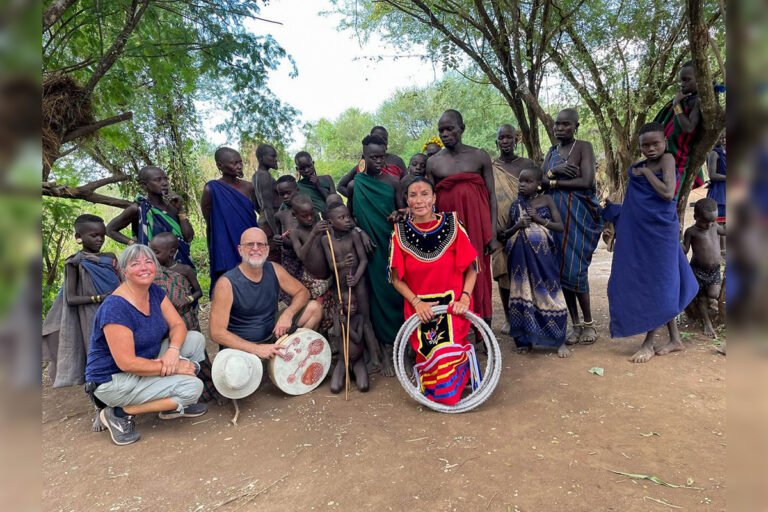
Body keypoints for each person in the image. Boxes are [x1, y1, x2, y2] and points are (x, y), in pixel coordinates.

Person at [85, 244, 207, 446]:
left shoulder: (154, 292)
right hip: (114, 380)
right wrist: (175, 367)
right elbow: (127, 363)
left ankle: (169, 406)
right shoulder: (115, 307)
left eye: (148, 262)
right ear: (124, 271)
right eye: (135, 264)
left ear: (155, 267)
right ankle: (118, 413)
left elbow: (178, 325)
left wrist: (173, 351)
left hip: (145, 362)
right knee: (192, 388)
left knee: (194, 340)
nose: (144, 267)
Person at [603, 122, 698, 363]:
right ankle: (675, 339)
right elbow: (636, 205)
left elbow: (667, 193)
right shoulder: (637, 168)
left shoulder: (666, 159)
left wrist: (646, 173)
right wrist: (613, 213)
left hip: (661, 232)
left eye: (655, 143)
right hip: (642, 233)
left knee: (660, 283)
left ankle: (648, 343)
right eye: (645, 145)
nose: (651, 148)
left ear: (665, 142)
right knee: (655, 282)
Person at [389, 177, 480, 405]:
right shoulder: (399, 233)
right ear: (407, 201)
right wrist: (416, 302)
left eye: (424, 194)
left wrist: (465, 298)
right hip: (420, 311)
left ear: (434, 198)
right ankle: (457, 373)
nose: (419, 200)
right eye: (413, 195)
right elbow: (396, 279)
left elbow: (472, 268)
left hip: (453, 307)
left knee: (446, 384)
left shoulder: (453, 225)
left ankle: (462, 370)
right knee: (435, 364)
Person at [427, 109, 499, 326]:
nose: (445, 134)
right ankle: (457, 327)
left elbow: (492, 196)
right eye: (441, 130)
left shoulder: (479, 156)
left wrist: (492, 234)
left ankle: (482, 327)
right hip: (448, 228)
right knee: (452, 272)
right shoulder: (434, 162)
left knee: (478, 270)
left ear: (462, 128)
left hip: (476, 225)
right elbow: (430, 201)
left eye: (450, 129)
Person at [208, 227, 323, 359]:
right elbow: (216, 332)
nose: (255, 248)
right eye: (249, 244)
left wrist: (288, 314)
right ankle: (269, 360)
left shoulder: (274, 269)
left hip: (273, 334)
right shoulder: (226, 283)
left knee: (314, 309)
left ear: (267, 249)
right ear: (240, 250)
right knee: (237, 368)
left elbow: (302, 292)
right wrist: (256, 349)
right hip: (243, 348)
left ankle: (294, 360)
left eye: (260, 244)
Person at [345, 134, 405, 376]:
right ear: (364, 157)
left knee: (395, 293)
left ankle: (402, 346)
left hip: (392, 246)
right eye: (373, 157)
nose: (379, 161)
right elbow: (349, 218)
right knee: (375, 298)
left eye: (382, 156)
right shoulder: (355, 185)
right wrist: (360, 232)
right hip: (369, 250)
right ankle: (383, 352)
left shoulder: (393, 182)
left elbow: (402, 211)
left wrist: (398, 215)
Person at [544, 108, 604, 345]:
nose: (560, 128)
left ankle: (589, 324)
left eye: (566, 124)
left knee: (576, 270)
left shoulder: (584, 147)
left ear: (576, 127)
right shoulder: (551, 152)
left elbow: (586, 181)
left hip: (579, 216)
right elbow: (540, 180)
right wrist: (555, 171)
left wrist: (553, 182)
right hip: (557, 219)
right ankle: (576, 324)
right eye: (557, 124)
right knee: (562, 271)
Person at [43, 214, 120, 388]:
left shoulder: (110, 257)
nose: (100, 239)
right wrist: (100, 298)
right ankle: (100, 391)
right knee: (100, 352)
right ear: (79, 237)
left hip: (116, 309)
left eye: (102, 235)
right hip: (92, 315)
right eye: (94, 235)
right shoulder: (75, 263)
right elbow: (71, 298)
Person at [499, 167, 569, 357]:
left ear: (538, 185)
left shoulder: (547, 200)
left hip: (544, 260)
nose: (522, 185)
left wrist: (538, 219)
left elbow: (559, 227)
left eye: (528, 181)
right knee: (522, 296)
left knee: (550, 294)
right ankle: (524, 340)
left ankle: (559, 341)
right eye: (521, 181)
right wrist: (518, 226)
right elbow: (504, 235)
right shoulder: (515, 205)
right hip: (519, 262)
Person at [320, 201, 381, 371]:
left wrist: (355, 278)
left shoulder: (353, 235)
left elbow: (363, 260)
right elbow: (331, 266)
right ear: (330, 222)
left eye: (348, 216)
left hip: (358, 283)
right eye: (342, 217)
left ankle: (375, 359)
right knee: (346, 321)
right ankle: (356, 356)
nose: (347, 220)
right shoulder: (326, 240)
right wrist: (342, 264)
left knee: (365, 320)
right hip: (341, 287)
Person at [492, 124, 535, 334]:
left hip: (526, 227)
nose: (505, 141)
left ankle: (530, 316)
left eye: (509, 137)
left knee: (528, 272)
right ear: (496, 142)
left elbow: (538, 189)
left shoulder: (526, 164)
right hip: (501, 230)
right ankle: (509, 318)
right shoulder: (491, 166)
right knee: (503, 273)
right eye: (501, 138)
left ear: (516, 141)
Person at [106, 166, 195, 268]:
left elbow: (188, 237)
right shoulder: (138, 209)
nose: (164, 183)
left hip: (181, 264)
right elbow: (110, 230)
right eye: (158, 180)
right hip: (152, 266)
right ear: (144, 185)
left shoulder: (173, 206)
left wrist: (180, 210)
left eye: (165, 179)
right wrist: (133, 243)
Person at [201, 147, 258, 293]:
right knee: (230, 287)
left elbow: (258, 211)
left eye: (240, 162)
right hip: (225, 247)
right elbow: (210, 224)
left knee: (253, 284)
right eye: (234, 163)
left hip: (249, 243)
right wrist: (212, 252)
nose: (239, 166)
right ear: (220, 165)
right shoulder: (211, 189)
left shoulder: (248, 187)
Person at [653, 61, 705, 199]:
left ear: (700, 79)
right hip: (665, 152)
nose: (682, 84)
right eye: (681, 80)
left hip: (679, 156)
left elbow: (689, 128)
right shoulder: (684, 99)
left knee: (669, 194)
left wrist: (676, 104)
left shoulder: (697, 101)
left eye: (687, 80)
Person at [682, 198, 725, 338]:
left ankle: (710, 305)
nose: (709, 225)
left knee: (713, 294)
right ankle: (707, 323)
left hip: (714, 270)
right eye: (706, 221)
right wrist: (676, 239)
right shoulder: (691, 232)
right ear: (695, 217)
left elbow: (724, 232)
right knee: (701, 298)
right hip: (698, 270)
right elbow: (685, 250)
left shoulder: (714, 226)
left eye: (712, 221)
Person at [337, 126, 406, 196]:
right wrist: (356, 199)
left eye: (384, 139)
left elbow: (407, 186)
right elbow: (340, 186)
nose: (380, 140)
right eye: (376, 138)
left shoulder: (397, 161)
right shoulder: (363, 166)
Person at [329, 288, 368, 394]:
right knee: (334, 388)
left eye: (355, 303)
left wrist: (346, 324)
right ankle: (347, 373)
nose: (353, 307)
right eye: (348, 304)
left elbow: (357, 339)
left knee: (364, 387)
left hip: (357, 361)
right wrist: (337, 315)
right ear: (342, 306)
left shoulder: (359, 318)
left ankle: (354, 373)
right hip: (343, 360)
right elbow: (337, 333)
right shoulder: (338, 317)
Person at [251, 143, 283, 262]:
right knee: (274, 262)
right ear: (261, 158)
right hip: (270, 224)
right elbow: (268, 207)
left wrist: (263, 215)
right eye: (272, 156)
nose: (275, 160)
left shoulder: (256, 176)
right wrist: (276, 233)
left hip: (265, 220)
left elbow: (256, 204)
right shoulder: (264, 176)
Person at [294, 151, 336, 216]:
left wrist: (319, 186)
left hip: (333, 217)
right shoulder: (297, 187)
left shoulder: (327, 178)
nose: (306, 170)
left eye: (309, 166)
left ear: (313, 163)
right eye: (302, 168)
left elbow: (335, 203)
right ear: (297, 169)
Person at [706, 131, 726, 251]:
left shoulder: (724, 152)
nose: (724, 140)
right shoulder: (714, 153)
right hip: (719, 192)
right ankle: (718, 251)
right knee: (718, 224)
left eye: (725, 138)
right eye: (721, 138)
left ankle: (724, 251)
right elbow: (712, 175)